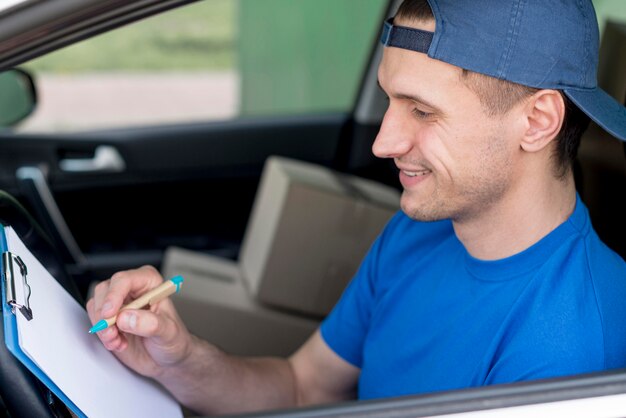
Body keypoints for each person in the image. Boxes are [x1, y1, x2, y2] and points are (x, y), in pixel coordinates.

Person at [87, 0, 626, 415]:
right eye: (391, 100)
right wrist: (178, 360)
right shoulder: (418, 232)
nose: (384, 142)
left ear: (537, 122)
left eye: (421, 111)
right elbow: (303, 387)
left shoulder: (573, 349)